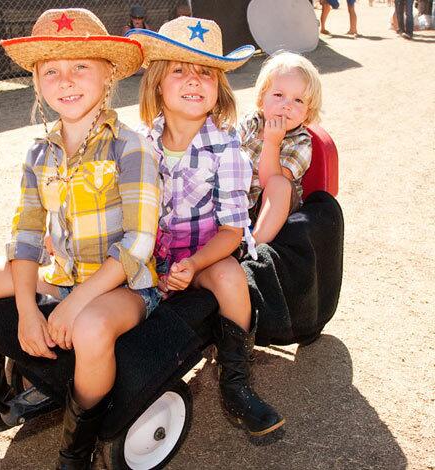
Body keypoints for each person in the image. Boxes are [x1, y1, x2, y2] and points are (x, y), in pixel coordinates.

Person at [0, 8, 161, 469]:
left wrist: (76, 302)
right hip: (62, 276)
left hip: (123, 287)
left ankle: (76, 449)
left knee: (91, 326)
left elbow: (139, 242)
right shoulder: (39, 153)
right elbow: (26, 235)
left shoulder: (131, 146)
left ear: (107, 75)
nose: (66, 80)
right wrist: (24, 311)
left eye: (81, 67)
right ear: (37, 82)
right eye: (51, 70)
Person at [127, 17, 285, 436]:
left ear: (218, 88)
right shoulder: (140, 143)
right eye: (179, 70)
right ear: (157, 84)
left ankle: (236, 382)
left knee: (232, 277)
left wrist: (194, 264)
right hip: (148, 256)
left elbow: (233, 232)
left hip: (206, 253)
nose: (193, 80)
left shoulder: (227, 150)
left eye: (205, 73)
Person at [237, 51, 322, 246]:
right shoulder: (251, 122)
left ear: (308, 110)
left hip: (272, 209)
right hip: (238, 200)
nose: (287, 105)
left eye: (298, 100)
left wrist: (272, 142)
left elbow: (271, 182)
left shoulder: (301, 141)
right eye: (278, 95)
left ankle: (253, 246)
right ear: (261, 98)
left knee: (280, 185)